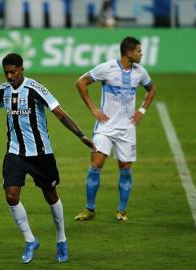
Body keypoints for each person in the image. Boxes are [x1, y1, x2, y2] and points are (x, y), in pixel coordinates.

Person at [0, 53, 94, 263]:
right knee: (11, 196)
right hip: (15, 152)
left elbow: (59, 113)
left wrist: (81, 136)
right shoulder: (3, 90)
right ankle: (30, 240)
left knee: (51, 195)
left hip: (41, 153)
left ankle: (61, 239)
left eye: (13, 72)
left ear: (22, 69)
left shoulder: (35, 88)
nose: (9, 76)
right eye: (6, 72)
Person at [74, 36, 156, 222]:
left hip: (127, 129)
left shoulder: (140, 72)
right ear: (128, 52)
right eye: (138, 51)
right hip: (105, 127)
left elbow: (152, 89)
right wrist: (94, 108)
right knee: (95, 165)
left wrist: (142, 110)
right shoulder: (107, 68)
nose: (141, 54)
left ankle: (122, 210)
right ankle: (89, 209)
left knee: (125, 169)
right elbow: (81, 82)